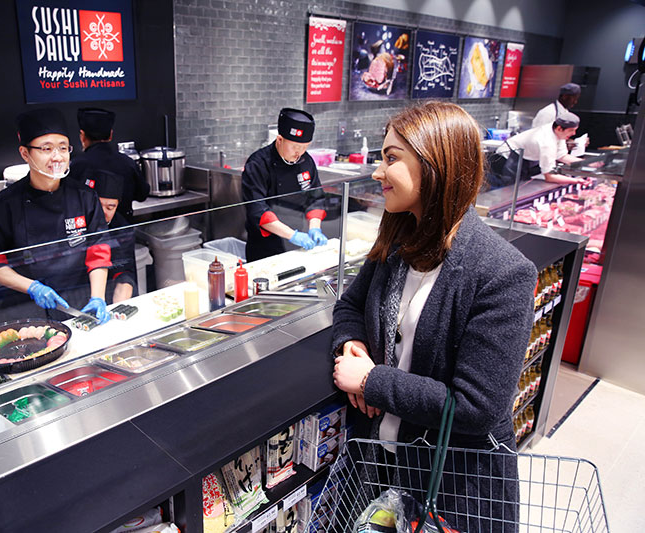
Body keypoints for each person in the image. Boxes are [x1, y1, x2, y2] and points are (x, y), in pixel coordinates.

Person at [331, 102, 537, 532]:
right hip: (384, 468)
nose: (377, 172)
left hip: (453, 489)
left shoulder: (502, 273)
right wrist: (352, 343)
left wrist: (372, 381)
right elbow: (350, 304)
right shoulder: (399, 237)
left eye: (391, 158)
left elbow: (476, 406)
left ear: (435, 164)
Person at [0, 108, 111, 323]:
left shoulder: (85, 196)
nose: (57, 157)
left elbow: (99, 250)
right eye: (46, 149)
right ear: (25, 153)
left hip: (78, 300)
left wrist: (98, 296)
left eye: (62, 148)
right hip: (26, 305)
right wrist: (32, 287)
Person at [241, 108, 328, 262]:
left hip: (299, 246)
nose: (299, 153)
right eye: (295, 147)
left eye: (305, 147)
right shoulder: (258, 164)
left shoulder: (306, 161)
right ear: (280, 140)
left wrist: (315, 227)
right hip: (264, 249)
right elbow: (257, 210)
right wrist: (292, 235)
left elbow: (316, 198)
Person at [69, 107, 150, 222]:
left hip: (86, 236)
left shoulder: (76, 165)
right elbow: (142, 194)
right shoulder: (128, 162)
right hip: (123, 234)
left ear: (82, 136)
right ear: (111, 135)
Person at [489, 113, 588, 188]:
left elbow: (562, 156)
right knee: (506, 188)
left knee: (519, 187)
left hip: (523, 158)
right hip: (507, 157)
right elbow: (550, 177)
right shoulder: (546, 142)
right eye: (571, 130)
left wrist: (589, 163)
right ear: (559, 128)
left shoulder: (558, 133)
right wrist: (576, 181)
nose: (574, 133)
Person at [84, 169, 138, 303]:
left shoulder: (122, 228)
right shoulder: (76, 223)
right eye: (98, 206)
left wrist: (119, 305)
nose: (103, 213)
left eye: (110, 207)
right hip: (78, 289)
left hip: (107, 290)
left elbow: (124, 271)